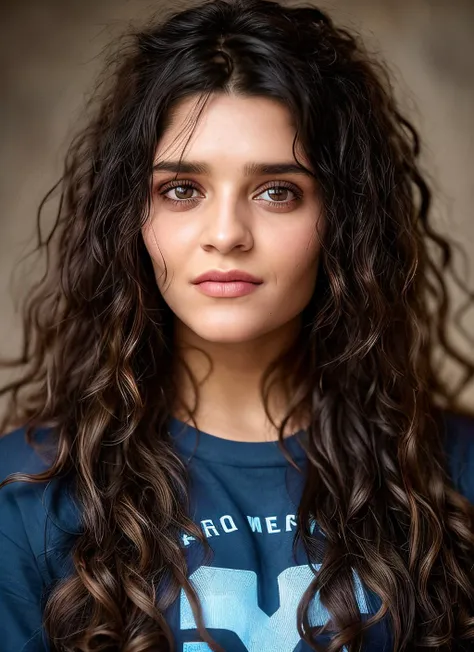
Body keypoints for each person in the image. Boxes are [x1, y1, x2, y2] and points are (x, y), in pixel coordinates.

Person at [0, 0, 473, 650]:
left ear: (344, 220)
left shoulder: (456, 477)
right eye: (182, 190)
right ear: (131, 217)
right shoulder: (27, 499)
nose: (226, 235)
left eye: (277, 190)